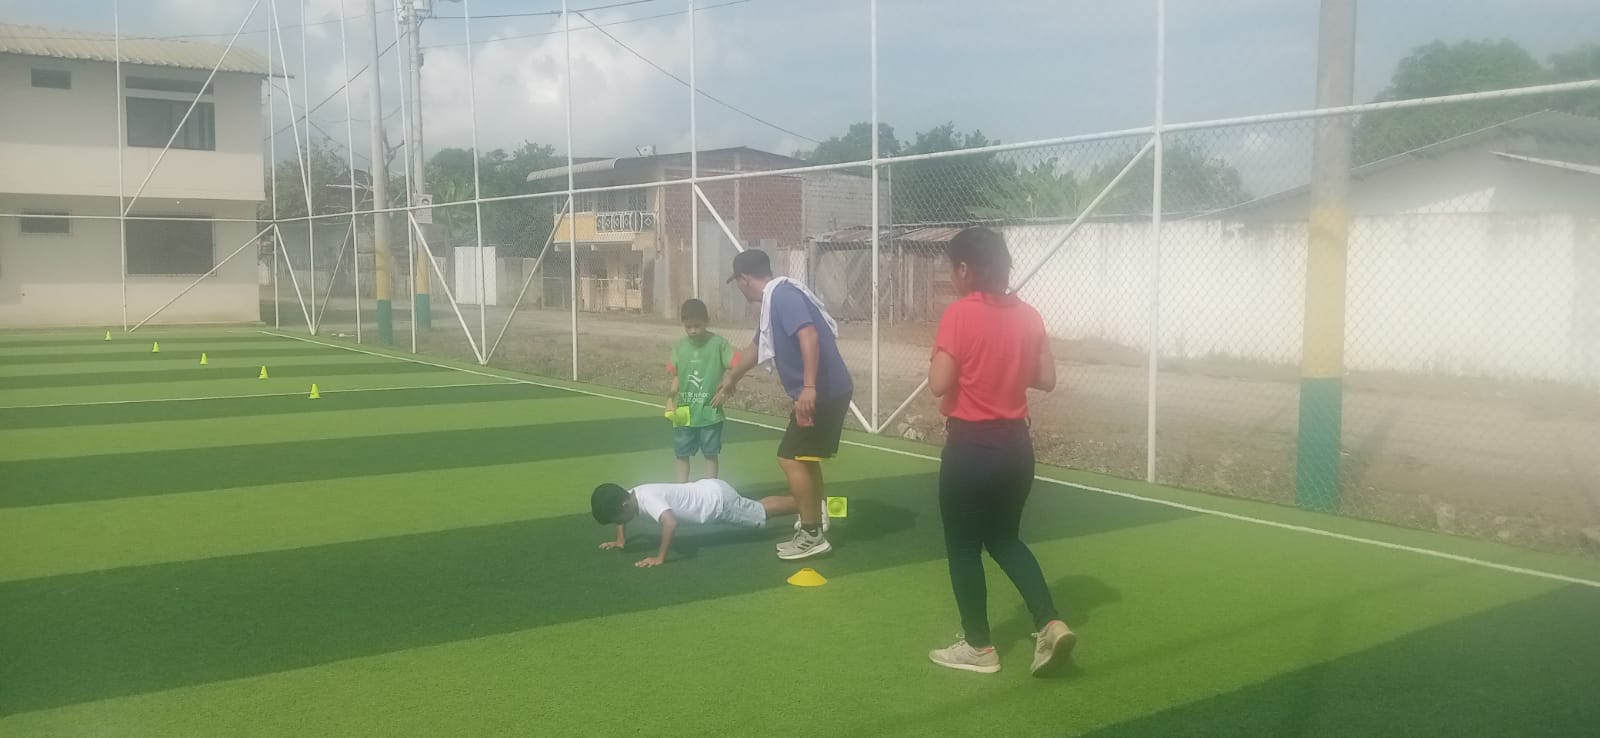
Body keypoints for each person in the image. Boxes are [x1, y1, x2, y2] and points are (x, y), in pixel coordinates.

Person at [925, 226, 1075, 677]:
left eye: (952, 269)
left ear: (965, 268)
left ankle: (979, 647)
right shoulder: (1029, 315)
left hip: (970, 448)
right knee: (1005, 539)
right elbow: (1046, 379)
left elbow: (938, 384)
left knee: (963, 548)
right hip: (1016, 448)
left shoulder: (959, 313)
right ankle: (1049, 622)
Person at [713, 249, 852, 561]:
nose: (740, 289)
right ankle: (815, 517)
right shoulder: (775, 300)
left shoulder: (783, 296)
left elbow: (809, 335)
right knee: (804, 457)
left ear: (744, 279)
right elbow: (756, 347)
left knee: (789, 458)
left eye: (738, 283)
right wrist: (732, 377)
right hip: (825, 391)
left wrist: (809, 387)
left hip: (823, 392)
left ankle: (811, 534)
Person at [591, 480, 799, 568]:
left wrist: (659, 557)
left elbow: (670, 523)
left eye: (618, 520)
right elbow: (621, 517)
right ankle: (804, 502)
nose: (619, 523)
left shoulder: (648, 500)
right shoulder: (629, 496)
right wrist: (620, 540)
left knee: (760, 513)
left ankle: (808, 506)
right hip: (711, 489)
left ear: (624, 505)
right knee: (755, 507)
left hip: (717, 503)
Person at [667, 299, 736, 483]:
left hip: (710, 412)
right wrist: (670, 399)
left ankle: (711, 488)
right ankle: (681, 488)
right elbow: (676, 376)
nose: (693, 331)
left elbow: (736, 367)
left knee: (710, 453)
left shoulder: (719, 344)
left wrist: (726, 388)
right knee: (681, 453)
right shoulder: (680, 346)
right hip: (684, 412)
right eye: (688, 327)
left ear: (707, 321)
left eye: (697, 326)